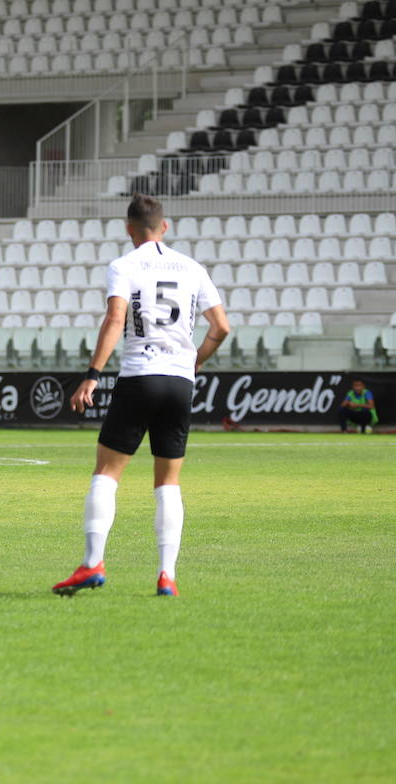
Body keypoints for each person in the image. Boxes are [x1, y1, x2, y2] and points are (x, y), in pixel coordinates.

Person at [53, 194, 229, 598]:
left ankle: (92, 563)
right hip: (178, 383)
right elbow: (221, 327)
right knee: (168, 483)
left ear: (129, 228)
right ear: (164, 226)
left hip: (139, 376)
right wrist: (194, 361)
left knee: (107, 474)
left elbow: (116, 318)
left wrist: (92, 375)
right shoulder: (192, 267)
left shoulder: (124, 266)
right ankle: (167, 575)